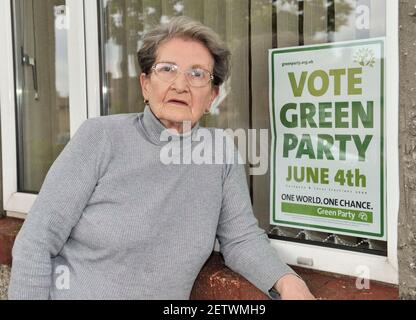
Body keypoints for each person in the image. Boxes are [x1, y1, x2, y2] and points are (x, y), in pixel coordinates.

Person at [8, 16, 314, 300]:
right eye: (167, 69)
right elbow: (36, 241)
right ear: (145, 84)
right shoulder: (100, 137)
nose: (180, 85)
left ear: (212, 96)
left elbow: (241, 238)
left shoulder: (220, 154)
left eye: (198, 74)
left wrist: (288, 281)